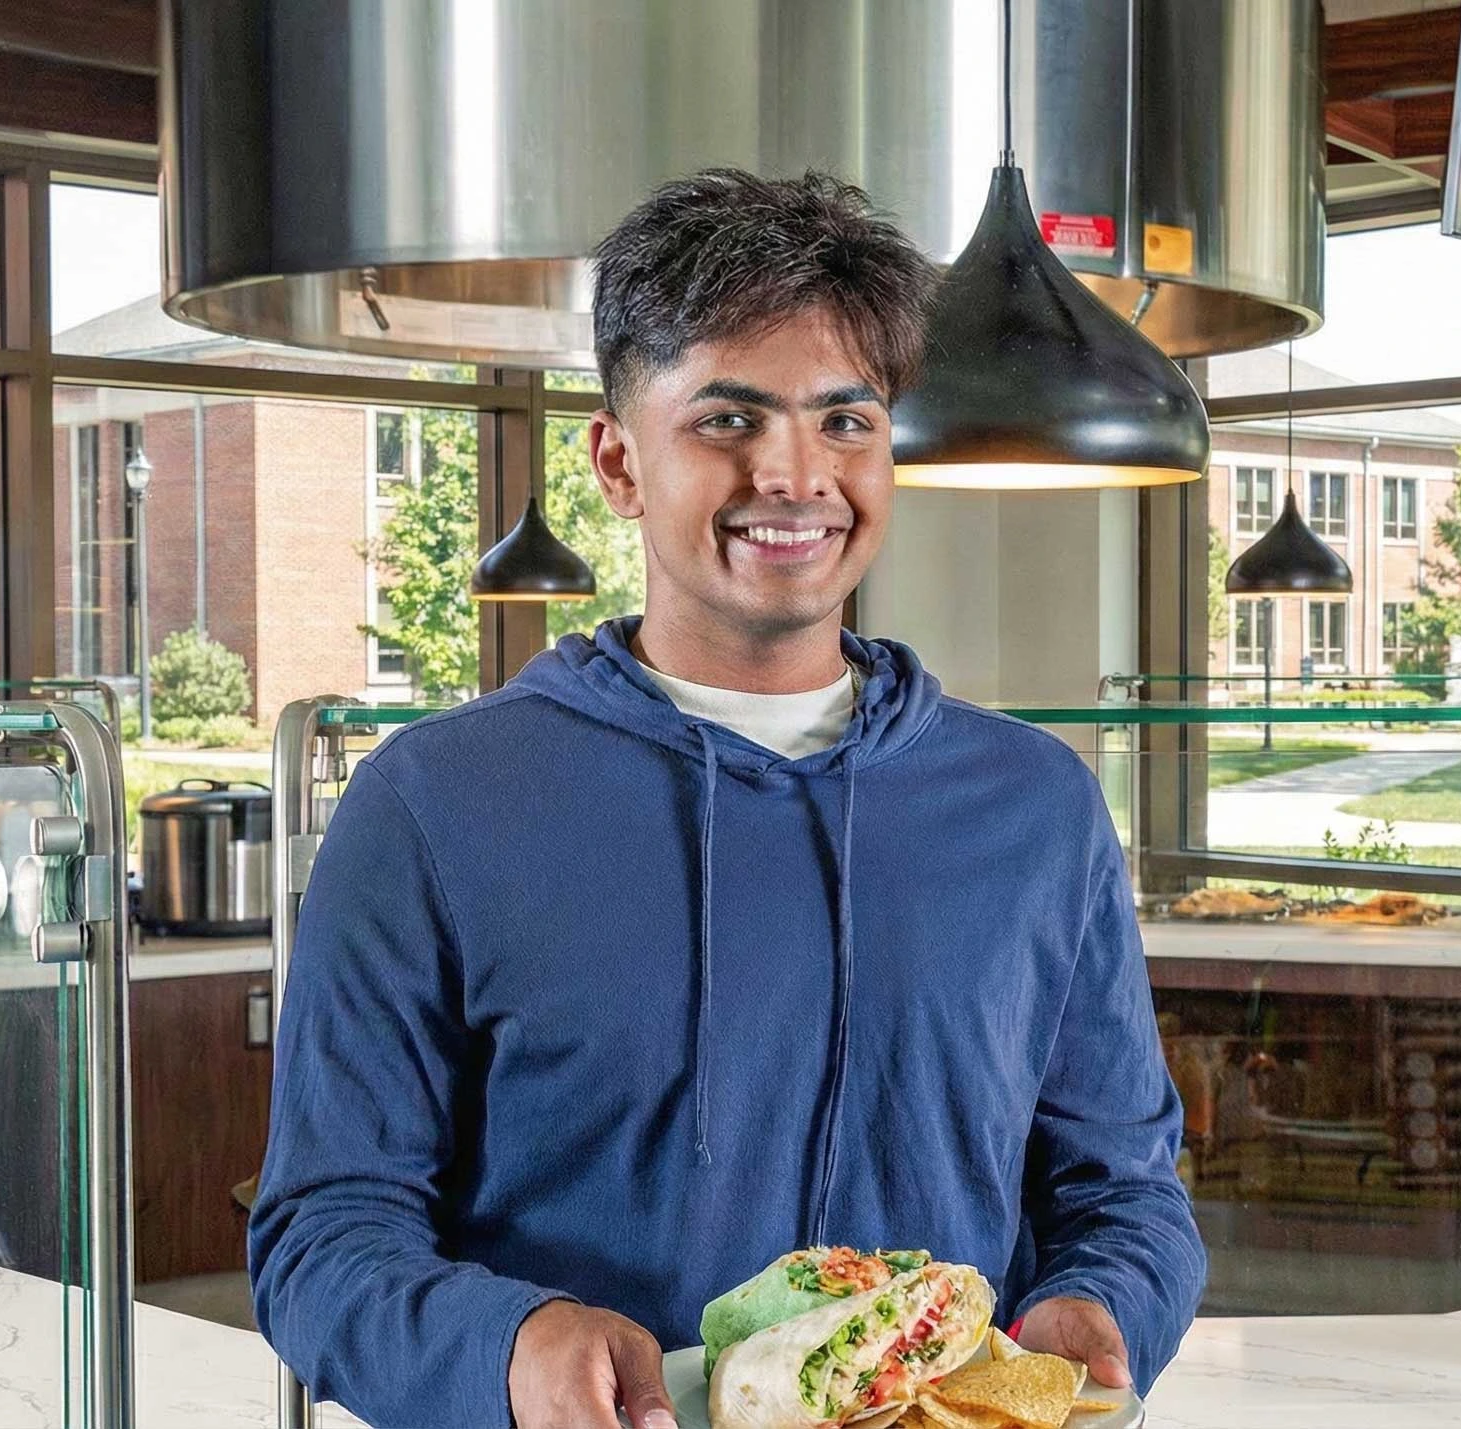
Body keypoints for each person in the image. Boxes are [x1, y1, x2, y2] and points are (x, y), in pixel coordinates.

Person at [248, 170, 1205, 1429]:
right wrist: (510, 1345)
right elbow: (323, 1233)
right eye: (726, 420)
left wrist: (1103, 1306)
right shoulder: (433, 803)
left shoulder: (1036, 807)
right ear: (619, 461)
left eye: (845, 421)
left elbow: (1125, 1192)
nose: (795, 475)